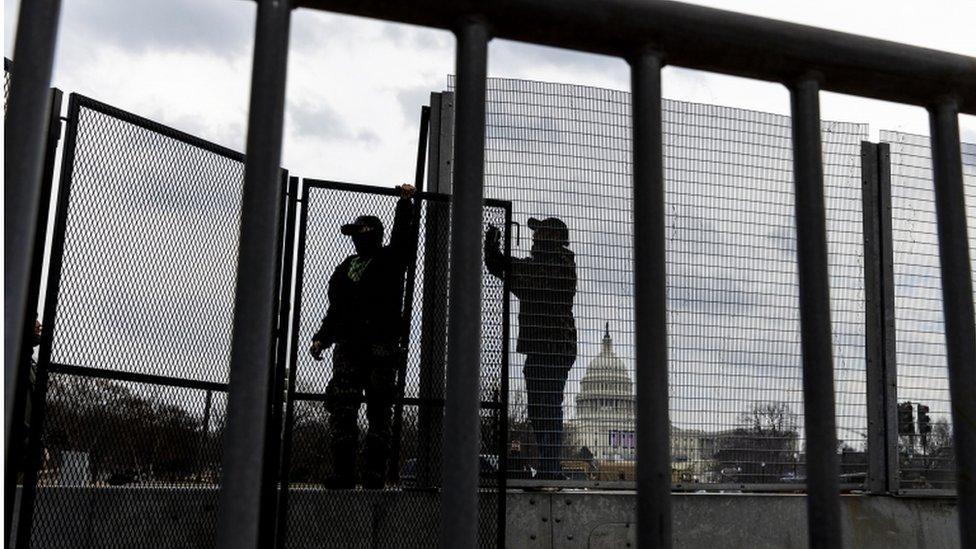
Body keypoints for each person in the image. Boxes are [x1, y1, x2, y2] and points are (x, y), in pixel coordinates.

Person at [309, 184, 416, 489]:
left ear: (372, 233)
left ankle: (374, 473)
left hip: (381, 345)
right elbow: (336, 309)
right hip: (348, 347)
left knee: (379, 410)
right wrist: (322, 338)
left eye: (361, 231)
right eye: (354, 233)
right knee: (343, 408)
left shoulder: (389, 260)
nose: (356, 237)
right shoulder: (345, 267)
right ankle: (343, 472)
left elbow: (404, 241)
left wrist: (404, 205)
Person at [485, 217, 577, 479]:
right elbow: (508, 270)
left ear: (555, 238)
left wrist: (503, 263)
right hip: (538, 349)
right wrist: (492, 253)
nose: (535, 236)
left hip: (555, 348)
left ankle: (550, 469)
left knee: (548, 407)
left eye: (541, 232)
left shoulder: (562, 266)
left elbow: (527, 282)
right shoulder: (537, 266)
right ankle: (549, 468)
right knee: (538, 411)